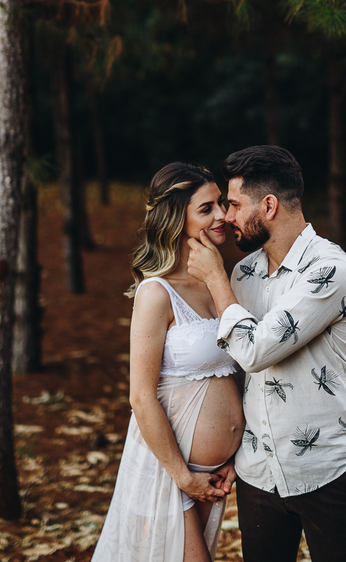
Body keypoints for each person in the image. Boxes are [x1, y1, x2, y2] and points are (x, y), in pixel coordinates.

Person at [187, 145, 346, 562]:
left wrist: (215, 278)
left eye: (234, 204)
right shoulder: (244, 273)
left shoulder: (329, 270)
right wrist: (233, 449)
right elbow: (236, 373)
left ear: (268, 205)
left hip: (329, 469)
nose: (226, 216)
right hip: (258, 474)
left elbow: (255, 350)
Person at [92, 162, 244, 562]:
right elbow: (140, 397)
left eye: (222, 205)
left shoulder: (222, 284)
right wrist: (182, 476)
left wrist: (235, 457)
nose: (223, 216)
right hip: (169, 472)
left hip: (216, 470)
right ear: (177, 217)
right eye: (207, 208)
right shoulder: (156, 293)